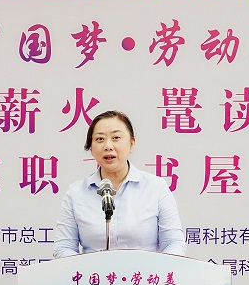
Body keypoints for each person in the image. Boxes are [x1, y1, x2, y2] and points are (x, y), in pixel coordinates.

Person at [52, 110, 185, 259]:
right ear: (91, 148)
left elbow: (173, 243)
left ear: (131, 144)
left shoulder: (156, 187)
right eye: (100, 139)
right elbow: (64, 247)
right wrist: (84, 269)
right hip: (93, 274)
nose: (108, 146)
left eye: (116, 138)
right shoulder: (76, 193)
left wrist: (158, 269)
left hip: (145, 273)